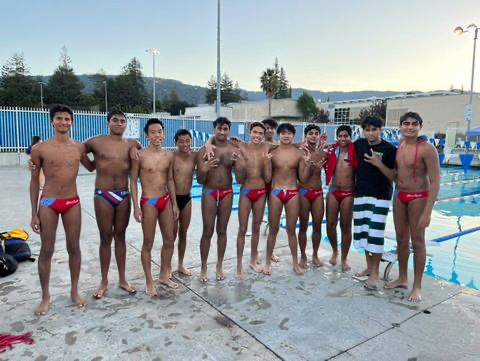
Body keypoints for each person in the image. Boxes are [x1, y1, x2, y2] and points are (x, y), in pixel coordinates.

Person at [30, 104, 92, 315]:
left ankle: (74, 291)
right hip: (48, 202)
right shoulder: (41, 149)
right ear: (52, 121)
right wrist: (33, 213)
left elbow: (92, 166)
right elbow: (33, 182)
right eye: (59, 118)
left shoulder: (78, 147)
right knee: (47, 249)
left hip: (72, 202)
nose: (63, 122)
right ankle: (45, 296)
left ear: (72, 122)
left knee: (74, 247)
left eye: (67, 119)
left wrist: (129, 150)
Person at [82, 110, 141, 299]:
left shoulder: (132, 144)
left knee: (121, 236)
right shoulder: (96, 141)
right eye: (115, 120)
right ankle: (104, 281)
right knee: (105, 237)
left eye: (122, 121)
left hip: (123, 194)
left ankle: (123, 279)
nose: (119, 123)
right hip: (103, 194)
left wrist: (136, 156)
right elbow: (74, 150)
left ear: (126, 124)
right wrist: (89, 164)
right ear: (108, 123)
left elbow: (150, 156)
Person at [383, 112, 440, 302]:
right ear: (400, 126)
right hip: (399, 196)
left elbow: (436, 182)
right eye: (406, 123)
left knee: (417, 241)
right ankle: (402, 278)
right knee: (400, 238)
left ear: (420, 127)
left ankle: (417, 286)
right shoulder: (399, 145)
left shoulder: (427, 149)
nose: (410, 127)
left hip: (418, 197)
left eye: (414, 124)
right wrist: (377, 164)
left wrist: (428, 212)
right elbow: (395, 175)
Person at [130, 118, 179, 296]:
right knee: (148, 243)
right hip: (149, 201)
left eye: (159, 131)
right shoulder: (140, 155)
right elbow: (133, 182)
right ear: (147, 135)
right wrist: (136, 206)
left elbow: (171, 180)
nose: (157, 135)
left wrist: (174, 204)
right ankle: (149, 281)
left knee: (169, 239)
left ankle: (164, 275)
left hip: (165, 200)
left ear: (163, 133)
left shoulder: (169, 155)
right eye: (153, 132)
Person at [262, 123, 312, 276]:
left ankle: (295, 263)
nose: (286, 135)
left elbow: (303, 179)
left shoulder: (299, 153)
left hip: (292, 193)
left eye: (289, 133)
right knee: (273, 229)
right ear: (279, 135)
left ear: (293, 135)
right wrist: (266, 164)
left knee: (291, 230)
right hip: (276, 191)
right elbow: (268, 178)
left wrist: (307, 163)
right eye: (283, 133)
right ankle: (268, 263)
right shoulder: (273, 151)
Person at [353, 116, 397, 290]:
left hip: (380, 196)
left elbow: (394, 176)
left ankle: (376, 274)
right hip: (361, 193)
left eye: (374, 129)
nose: (370, 133)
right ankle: (369, 268)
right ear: (363, 131)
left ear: (381, 130)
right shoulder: (360, 144)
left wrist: (378, 164)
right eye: (367, 130)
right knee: (364, 233)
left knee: (375, 235)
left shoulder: (390, 149)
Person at [196, 117, 236, 282]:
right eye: (219, 128)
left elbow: (240, 176)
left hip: (227, 191)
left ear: (229, 130)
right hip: (209, 191)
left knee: (222, 231)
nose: (222, 132)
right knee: (207, 231)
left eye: (225, 129)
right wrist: (204, 169)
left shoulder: (234, 149)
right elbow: (199, 180)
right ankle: (204, 266)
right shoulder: (204, 150)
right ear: (214, 129)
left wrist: (240, 164)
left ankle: (219, 265)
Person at [233, 122, 272, 279]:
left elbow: (285, 144)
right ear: (250, 132)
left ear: (264, 135)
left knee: (256, 228)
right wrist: (240, 165)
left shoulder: (267, 147)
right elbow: (239, 179)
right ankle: (239, 264)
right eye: (255, 132)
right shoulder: (241, 147)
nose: (257, 136)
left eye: (260, 133)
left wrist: (267, 163)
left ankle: (252, 260)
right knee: (242, 229)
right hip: (246, 191)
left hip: (261, 191)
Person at [325, 125, 357, 271]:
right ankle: (335, 251)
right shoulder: (332, 151)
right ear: (337, 137)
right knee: (330, 224)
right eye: (340, 136)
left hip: (348, 193)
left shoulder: (355, 151)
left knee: (345, 226)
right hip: (333, 191)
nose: (343, 138)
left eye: (346, 136)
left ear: (350, 137)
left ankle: (344, 258)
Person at [297, 124, 327, 268]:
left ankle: (314, 254)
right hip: (303, 192)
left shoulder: (324, 153)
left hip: (318, 192)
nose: (313, 135)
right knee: (303, 226)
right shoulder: (300, 152)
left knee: (317, 225)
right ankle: (303, 256)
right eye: (310, 133)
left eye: (316, 133)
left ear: (319, 136)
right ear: (306, 136)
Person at [171, 129, 198, 277]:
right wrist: (173, 204)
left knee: (183, 233)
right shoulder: (171, 156)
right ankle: (167, 266)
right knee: (171, 235)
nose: (184, 144)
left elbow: (212, 146)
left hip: (187, 198)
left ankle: (181, 264)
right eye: (181, 141)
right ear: (176, 142)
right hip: (173, 199)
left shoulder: (194, 156)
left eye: (187, 141)